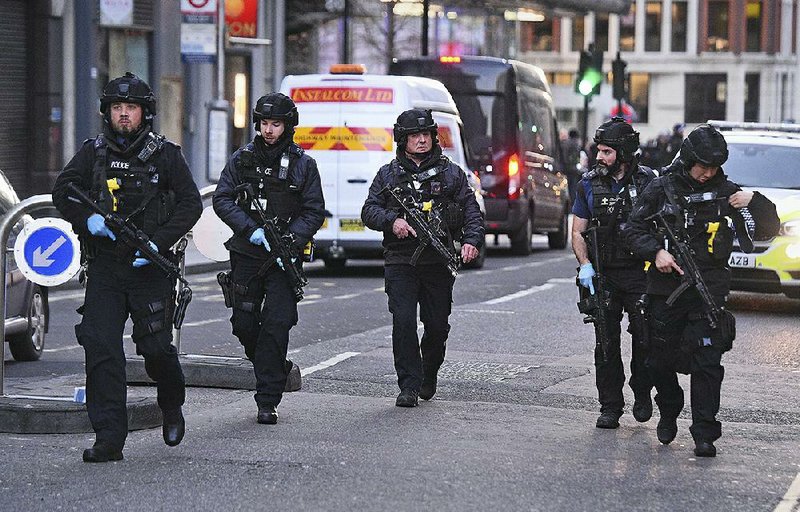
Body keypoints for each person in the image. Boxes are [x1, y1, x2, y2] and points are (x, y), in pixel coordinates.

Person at [52, 72, 202, 462]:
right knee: (101, 348)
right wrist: (88, 220)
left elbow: (190, 204)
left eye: (130, 108)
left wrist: (158, 242)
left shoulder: (166, 155)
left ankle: (171, 403)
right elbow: (64, 190)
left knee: (155, 350)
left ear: (144, 112)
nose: (123, 115)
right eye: (117, 108)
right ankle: (109, 438)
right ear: (108, 112)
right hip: (106, 269)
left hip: (150, 269)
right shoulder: (93, 152)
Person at [625, 124, 780, 456]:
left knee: (708, 362)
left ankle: (704, 433)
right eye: (702, 166)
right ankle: (669, 407)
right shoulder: (661, 189)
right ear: (688, 159)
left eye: (713, 167)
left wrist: (755, 200)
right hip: (665, 292)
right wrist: (656, 252)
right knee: (658, 360)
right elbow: (633, 229)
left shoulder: (727, 191)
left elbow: (767, 228)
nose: (708, 173)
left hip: (708, 291)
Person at [213, 92, 325, 425]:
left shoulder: (303, 164)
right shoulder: (241, 159)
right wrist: (249, 229)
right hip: (247, 253)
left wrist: (291, 239)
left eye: (275, 124)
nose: (269, 130)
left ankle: (267, 398)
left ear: (288, 126)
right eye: (264, 123)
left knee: (276, 324)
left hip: (283, 258)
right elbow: (223, 199)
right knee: (244, 324)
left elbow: (314, 210)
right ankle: (274, 368)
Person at [361, 108, 484, 407]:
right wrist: (392, 221)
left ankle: (429, 373)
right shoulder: (388, 174)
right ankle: (408, 385)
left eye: (426, 135)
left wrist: (471, 241)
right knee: (403, 321)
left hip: (437, 263)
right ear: (402, 140)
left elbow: (472, 211)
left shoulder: (451, 173)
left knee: (437, 326)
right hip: (400, 261)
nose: (421, 141)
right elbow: (368, 211)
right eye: (414, 136)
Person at [571, 117, 657, 429]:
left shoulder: (648, 183)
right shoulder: (587, 184)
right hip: (603, 273)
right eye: (599, 150)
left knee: (646, 338)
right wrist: (585, 266)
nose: (599, 157)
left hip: (640, 273)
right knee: (605, 342)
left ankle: (642, 390)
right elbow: (578, 232)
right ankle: (610, 406)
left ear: (623, 153)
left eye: (606, 151)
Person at [561, 128, 584, 203]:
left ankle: (567, 203)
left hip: (565, 168)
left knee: (565, 187)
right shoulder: (576, 144)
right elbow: (577, 157)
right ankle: (572, 203)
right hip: (573, 169)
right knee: (573, 187)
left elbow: (564, 156)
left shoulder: (565, 143)